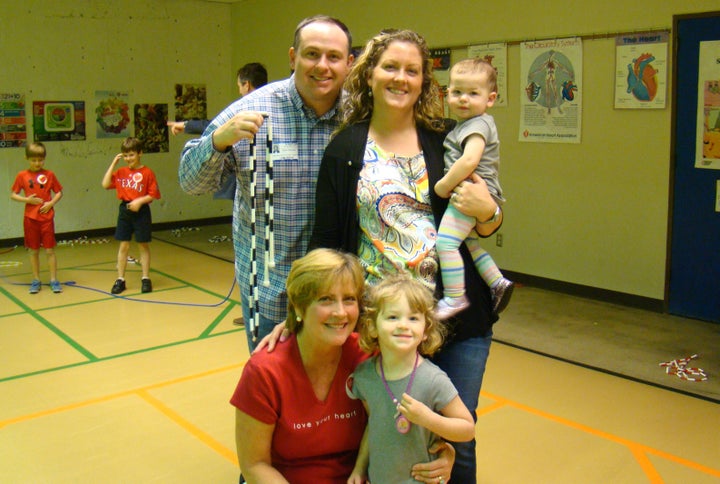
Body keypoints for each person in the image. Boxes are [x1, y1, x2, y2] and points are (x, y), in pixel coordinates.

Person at [309, 29, 503, 483]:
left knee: (456, 443)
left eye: (412, 70)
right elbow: (326, 243)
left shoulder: (447, 141)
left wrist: (490, 213)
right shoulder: (345, 148)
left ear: (424, 82)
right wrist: (303, 311)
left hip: (458, 320)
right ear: (369, 74)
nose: (400, 78)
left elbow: (486, 220)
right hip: (384, 324)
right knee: (388, 432)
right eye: (390, 67)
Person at [179, 15, 355, 350]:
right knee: (273, 391)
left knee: (333, 394)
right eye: (311, 54)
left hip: (339, 294)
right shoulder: (252, 109)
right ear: (292, 57)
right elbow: (190, 183)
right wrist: (218, 141)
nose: (323, 66)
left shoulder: (359, 117)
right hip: (272, 293)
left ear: (348, 63)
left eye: (333, 57)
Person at [231, 249, 454, 483]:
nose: (340, 312)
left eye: (349, 299)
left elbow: (408, 426)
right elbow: (254, 465)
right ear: (298, 306)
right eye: (325, 299)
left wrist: (445, 453)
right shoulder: (265, 371)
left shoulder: (373, 357)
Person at [347, 275, 474, 484]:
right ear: (371, 327)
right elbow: (375, 425)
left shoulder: (433, 380)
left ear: (426, 330)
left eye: (413, 318)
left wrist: (428, 419)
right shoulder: (364, 376)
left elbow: (467, 429)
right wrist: (360, 469)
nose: (404, 325)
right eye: (393, 317)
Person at [434, 58, 514, 320]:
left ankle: (455, 298)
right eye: (457, 92)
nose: (463, 99)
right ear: (447, 94)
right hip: (474, 190)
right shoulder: (465, 124)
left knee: (445, 243)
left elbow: (470, 160)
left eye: (473, 93)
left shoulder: (477, 125)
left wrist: (443, 186)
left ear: (490, 99)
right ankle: (497, 281)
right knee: (467, 243)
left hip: (471, 189)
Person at [101, 137, 161, 294]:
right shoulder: (121, 172)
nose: (128, 159)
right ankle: (120, 279)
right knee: (124, 245)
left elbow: (153, 194)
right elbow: (105, 184)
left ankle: (145, 278)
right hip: (125, 210)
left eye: (132, 155)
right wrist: (113, 163)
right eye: (125, 155)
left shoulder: (147, 172)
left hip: (141, 211)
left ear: (140, 153)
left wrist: (140, 201)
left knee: (143, 244)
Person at [10, 142, 64, 294]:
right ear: (27, 159)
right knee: (33, 251)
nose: (37, 163)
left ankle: (53, 279)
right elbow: (13, 194)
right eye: (33, 160)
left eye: (40, 160)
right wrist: (27, 200)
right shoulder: (22, 175)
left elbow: (59, 192)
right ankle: (36, 279)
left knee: (49, 251)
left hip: (46, 218)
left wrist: (51, 203)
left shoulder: (50, 175)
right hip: (30, 218)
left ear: (44, 159)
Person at [167, 62, 268, 136]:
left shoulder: (243, 110)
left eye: (239, 87)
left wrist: (185, 125)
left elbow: (215, 125)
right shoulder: (277, 107)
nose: (239, 92)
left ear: (246, 85)